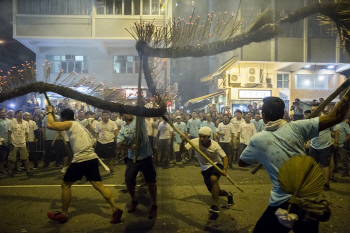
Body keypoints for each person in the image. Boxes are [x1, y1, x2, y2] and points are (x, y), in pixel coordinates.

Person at [238, 95, 350, 233]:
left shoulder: (258, 140)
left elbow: (242, 163)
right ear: (283, 112)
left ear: (264, 115)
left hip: (282, 201)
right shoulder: (299, 127)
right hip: (308, 198)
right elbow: (335, 117)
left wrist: (263, 154)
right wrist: (347, 95)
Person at [46, 107, 123, 224]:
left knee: (65, 185)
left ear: (64, 118)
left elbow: (50, 125)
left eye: (62, 118)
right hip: (91, 157)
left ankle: (64, 214)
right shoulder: (78, 124)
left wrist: (49, 112)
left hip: (82, 159)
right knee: (99, 185)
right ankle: (115, 209)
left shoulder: (70, 123)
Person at [180, 126, 233, 213]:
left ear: (209, 137)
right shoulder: (194, 142)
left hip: (216, 165)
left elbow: (225, 157)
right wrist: (183, 141)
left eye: (204, 137)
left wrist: (225, 169)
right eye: (200, 136)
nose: (201, 138)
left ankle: (215, 205)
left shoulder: (214, 145)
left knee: (214, 178)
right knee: (214, 191)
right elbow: (182, 151)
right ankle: (229, 194)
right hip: (205, 168)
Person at [117, 114, 158, 219]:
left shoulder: (138, 119)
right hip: (132, 159)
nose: (129, 113)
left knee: (151, 182)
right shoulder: (123, 129)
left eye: (130, 111)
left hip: (146, 157)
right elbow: (119, 144)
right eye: (126, 112)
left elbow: (141, 108)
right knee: (129, 180)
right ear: (122, 116)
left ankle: (154, 204)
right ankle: (134, 200)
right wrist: (130, 146)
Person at [308, 104, 338, 190]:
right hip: (313, 145)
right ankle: (313, 182)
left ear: (320, 110)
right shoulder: (311, 119)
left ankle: (326, 184)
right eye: (312, 110)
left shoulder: (326, 119)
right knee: (312, 165)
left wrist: (336, 141)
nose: (314, 111)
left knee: (325, 165)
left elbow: (336, 129)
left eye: (315, 110)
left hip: (325, 146)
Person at [7, 110, 32, 177]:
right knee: (11, 158)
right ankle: (9, 171)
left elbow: (27, 133)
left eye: (21, 113)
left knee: (26, 157)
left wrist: (26, 141)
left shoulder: (25, 123)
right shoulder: (12, 122)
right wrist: (10, 142)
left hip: (22, 143)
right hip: (14, 143)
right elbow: (9, 133)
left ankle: (28, 171)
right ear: (16, 114)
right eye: (19, 113)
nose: (21, 114)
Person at [95, 111, 118, 175]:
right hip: (100, 142)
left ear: (109, 116)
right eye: (104, 115)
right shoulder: (98, 124)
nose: (105, 116)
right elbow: (96, 133)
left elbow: (116, 132)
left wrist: (116, 141)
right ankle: (96, 170)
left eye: (106, 115)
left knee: (110, 157)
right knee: (97, 157)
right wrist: (95, 140)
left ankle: (111, 169)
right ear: (101, 116)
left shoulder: (112, 123)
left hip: (109, 142)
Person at [0, 108, 12, 176]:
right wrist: (1, 139)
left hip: (10, 141)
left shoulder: (10, 121)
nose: (3, 113)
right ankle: (1, 170)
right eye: (2, 112)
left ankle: (9, 170)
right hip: (2, 142)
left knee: (9, 157)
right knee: (2, 157)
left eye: (4, 112)